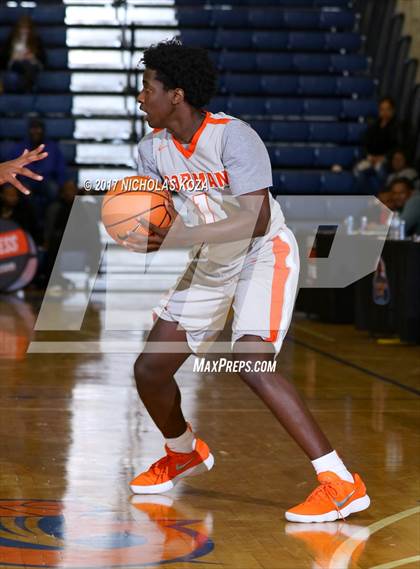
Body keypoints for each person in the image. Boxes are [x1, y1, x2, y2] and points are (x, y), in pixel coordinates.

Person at [123, 40, 370, 524]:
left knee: (251, 361)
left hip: (262, 253)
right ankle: (182, 452)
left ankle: (339, 481)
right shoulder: (150, 150)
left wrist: (179, 235)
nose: (139, 97)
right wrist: (144, 227)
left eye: (147, 88)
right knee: (149, 370)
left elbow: (254, 220)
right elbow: (161, 213)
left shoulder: (233, 137)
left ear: (176, 93)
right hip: (212, 259)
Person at [9, 119, 68, 216]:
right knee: (25, 191)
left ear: (43, 130)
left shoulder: (53, 147)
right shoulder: (19, 147)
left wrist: (62, 184)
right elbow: (10, 168)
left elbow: (61, 169)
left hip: (47, 180)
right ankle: (35, 224)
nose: (36, 131)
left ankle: (46, 222)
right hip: (26, 181)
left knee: (53, 189)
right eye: (33, 129)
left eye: (38, 128)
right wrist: (9, 186)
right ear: (28, 131)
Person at [353, 97, 405, 195]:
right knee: (358, 172)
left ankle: (384, 198)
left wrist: (384, 157)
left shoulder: (397, 127)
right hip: (371, 159)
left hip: (386, 160)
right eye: (382, 109)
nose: (385, 112)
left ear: (393, 110)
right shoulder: (374, 125)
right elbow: (365, 143)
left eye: (387, 109)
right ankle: (372, 198)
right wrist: (369, 156)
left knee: (382, 173)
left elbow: (397, 147)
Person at [0, 15, 46, 93]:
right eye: (22, 28)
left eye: (26, 28)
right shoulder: (12, 39)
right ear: (18, 28)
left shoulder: (36, 40)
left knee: (29, 66)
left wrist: (32, 56)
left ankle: (25, 87)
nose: (24, 30)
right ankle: (28, 87)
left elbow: (42, 57)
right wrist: (14, 56)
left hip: (31, 62)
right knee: (23, 67)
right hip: (16, 62)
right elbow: (5, 56)